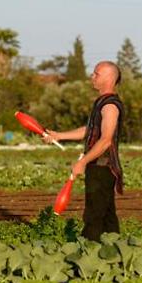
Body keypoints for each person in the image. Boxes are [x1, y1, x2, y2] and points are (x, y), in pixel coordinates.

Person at [42, 61, 124, 241]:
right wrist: (59, 136)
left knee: (93, 217)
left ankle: (87, 254)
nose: (92, 77)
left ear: (109, 78)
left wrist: (82, 161)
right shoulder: (100, 103)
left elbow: (105, 141)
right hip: (98, 168)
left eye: (96, 74)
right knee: (108, 217)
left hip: (102, 168)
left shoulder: (110, 106)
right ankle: (117, 253)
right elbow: (90, 131)